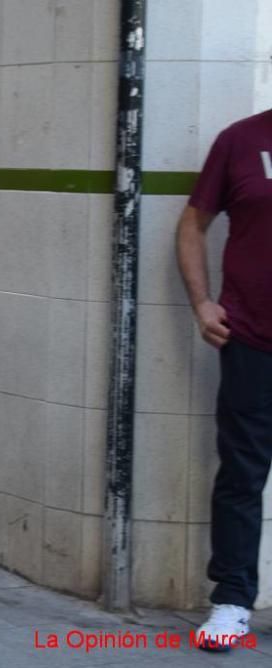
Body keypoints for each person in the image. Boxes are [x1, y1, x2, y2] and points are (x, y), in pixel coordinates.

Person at [176, 109, 272, 652]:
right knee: (241, 474)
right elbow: (193, 223)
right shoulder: (241, 140)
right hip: (253, 342)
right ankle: (232, 601)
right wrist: (202, 302)